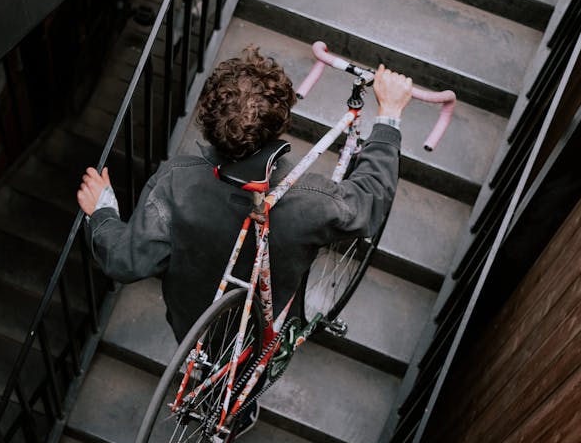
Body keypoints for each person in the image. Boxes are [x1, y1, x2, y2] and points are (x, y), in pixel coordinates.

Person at [77, 46, 412, 343]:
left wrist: (103, 213)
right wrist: (388, 119)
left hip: (192, 323)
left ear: (206, 121)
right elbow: (369, 202)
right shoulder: (311, 199)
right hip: (262, 325)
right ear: (282, 123)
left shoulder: (176, 181)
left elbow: (126, 261)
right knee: (254, 364)